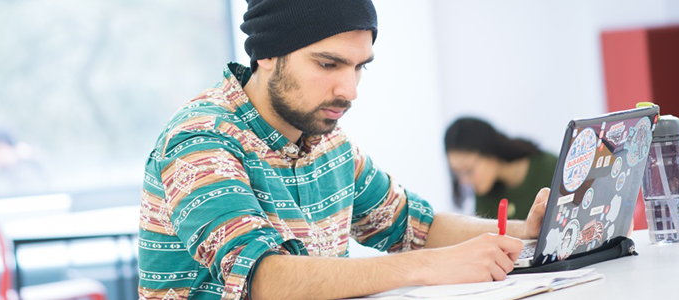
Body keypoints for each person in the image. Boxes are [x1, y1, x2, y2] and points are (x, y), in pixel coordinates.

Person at [138, 1, 550, 299]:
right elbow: (263, 280)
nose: (349, 91)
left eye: (359, 67)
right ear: (266, 53)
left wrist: (527, 233)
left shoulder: (328, 142)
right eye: (328, 65)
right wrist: (433, 267)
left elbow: (411, 226)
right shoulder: (200, 139)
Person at [444, 117, 558, 220]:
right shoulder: (485, 193)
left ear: (488, 150)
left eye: (468, 170)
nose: (464, 181)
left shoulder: (549, 168)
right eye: (457, 173)